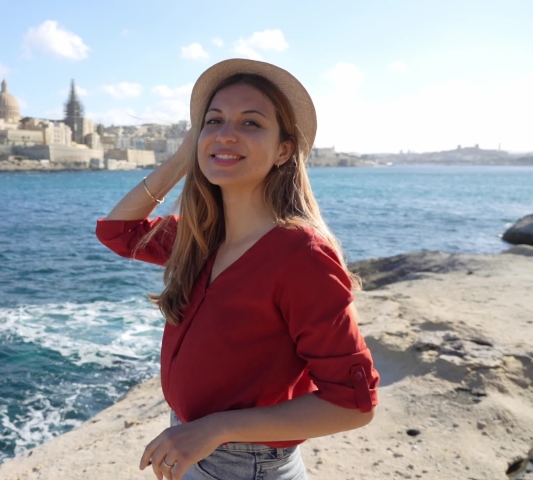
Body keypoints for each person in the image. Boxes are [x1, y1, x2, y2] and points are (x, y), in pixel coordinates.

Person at [95, 59, 380, 480]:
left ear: (284, 149)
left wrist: (217, 429)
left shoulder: (302, 256)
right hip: (195, 446)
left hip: (241, 464)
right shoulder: (202, 235)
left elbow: (353, 404)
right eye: (214, 120)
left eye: (250, 123)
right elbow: (119, 232)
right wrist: (184, 157)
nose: (226, 133)